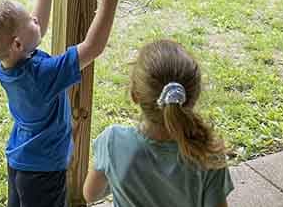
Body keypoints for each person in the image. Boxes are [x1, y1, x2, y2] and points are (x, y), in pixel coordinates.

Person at [0, 0, 129, 207]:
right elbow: (92, 47)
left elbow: (34, 35)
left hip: (21, 160)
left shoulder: (4, 63)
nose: (36, 21)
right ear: (17, 45)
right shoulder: (43, 76)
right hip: (43, 171)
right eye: (31, 21)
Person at [83, 39, 234, 207]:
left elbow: (90, 194)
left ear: (135, 94)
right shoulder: (208, 153)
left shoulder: (113, 141)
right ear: (192, 98)